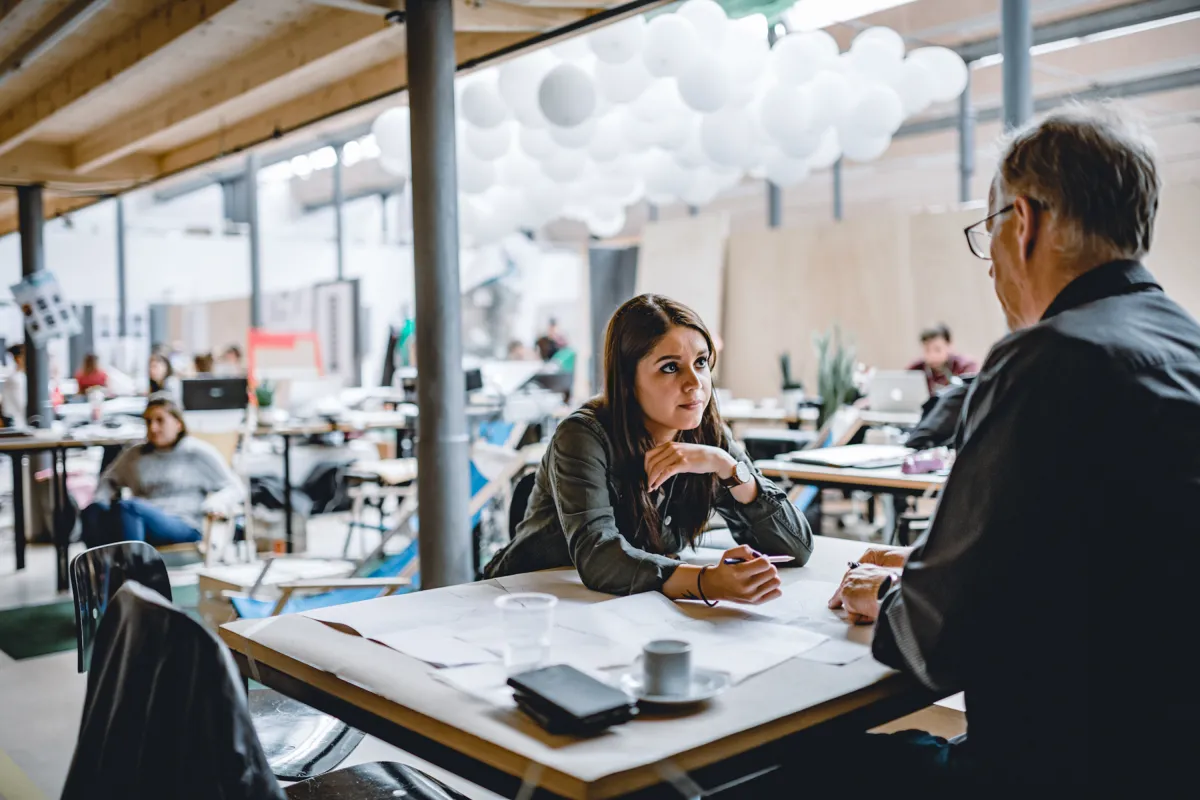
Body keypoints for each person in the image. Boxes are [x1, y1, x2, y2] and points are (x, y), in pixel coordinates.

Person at [812, 104, 1200, 795]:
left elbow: (936, 642)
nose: (987, 262)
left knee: (795, 770)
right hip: (1166, 754)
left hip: (1066, 768)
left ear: (1023, 223)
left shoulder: (1049, 357)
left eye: (983, 232)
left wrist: (894, 595)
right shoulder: (1184, 348)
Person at [485, 294, 812, 601]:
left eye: (701, 362)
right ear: (628, 381)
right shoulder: (582, 436)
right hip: (526, 602)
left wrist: (728, 468)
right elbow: (599, 556)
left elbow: (797, 548)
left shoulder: (708, 437)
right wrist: (704, 581)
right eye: (671, 367)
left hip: (624, 609)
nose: (695, 383)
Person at [81, 394, 243, 548]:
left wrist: (216, 503)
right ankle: (100, 573)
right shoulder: (135, 455)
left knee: (130, 508)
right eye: (148, 421)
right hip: (138, 522)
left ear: (178, 424)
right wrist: (101, 501)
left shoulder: (196, 452)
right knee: (92, 512)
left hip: (184, 525)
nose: (153, 428)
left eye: (160, 421)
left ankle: (133, 574)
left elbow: (235, 488)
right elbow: (109, 479)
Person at [906, 324, 977, 394]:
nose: (932, 356)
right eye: (927, 350)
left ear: (949, 346)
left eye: (937, 350)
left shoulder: (964, 366)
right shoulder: (915, 370)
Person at [1, 343, 27, 427]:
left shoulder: (21, 377)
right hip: (18, 424)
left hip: (20, 423)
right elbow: (23, 406)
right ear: (18, 359)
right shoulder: (15, 379)